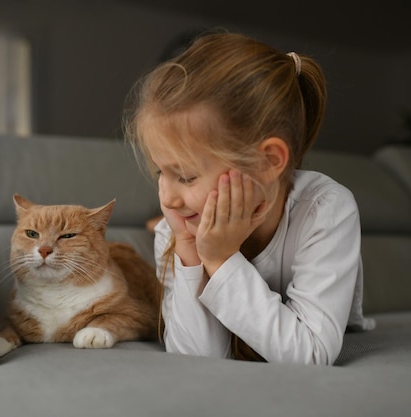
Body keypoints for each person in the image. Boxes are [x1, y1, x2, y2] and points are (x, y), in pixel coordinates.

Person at [124, 30, 374, 365]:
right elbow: (196, 361)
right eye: (160, 173)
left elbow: (310, 356)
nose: (167, 198)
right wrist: (192, 252)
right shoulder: (176, 230)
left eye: (185, 176)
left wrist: (223, 260)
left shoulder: (325, 210)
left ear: (268, 162)